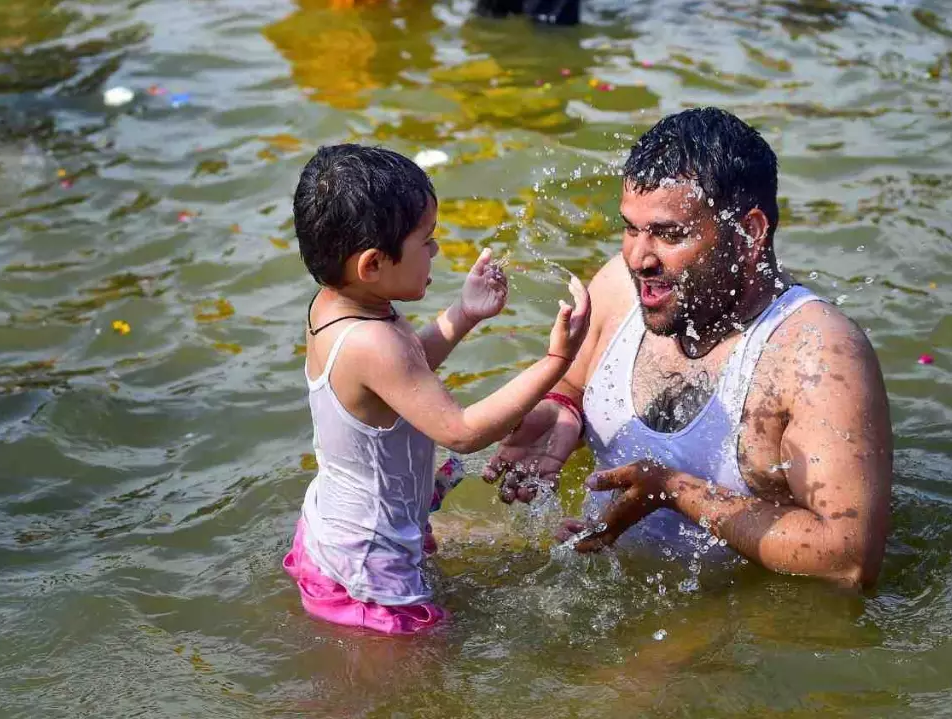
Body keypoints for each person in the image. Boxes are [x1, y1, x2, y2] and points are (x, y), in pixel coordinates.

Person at [483, 108, 892, 588]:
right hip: (602, 572)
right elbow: (575, 380)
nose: (639, 257)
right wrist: (561, 407)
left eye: (669, 234)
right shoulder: (619, 284)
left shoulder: (815, 352)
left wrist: (673, 490)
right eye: (631, 228)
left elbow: (847, 559)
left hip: (729, 627)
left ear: (750, 232)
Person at [284, 144, 591, 634]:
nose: (436, 251)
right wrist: (558, 361)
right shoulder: (372, 341)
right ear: (372, 264)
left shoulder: (339, 306)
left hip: (341, 525)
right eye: (426, 241)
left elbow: (405, 375)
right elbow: (462, 432)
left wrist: (464, 314)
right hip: (371, 565)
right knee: (412, 682)